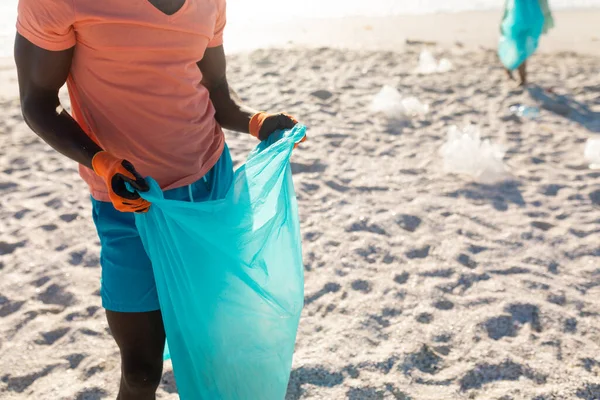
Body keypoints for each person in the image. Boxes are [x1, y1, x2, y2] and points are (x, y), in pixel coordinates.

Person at [14, 0, 304, 398]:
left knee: (215, 344)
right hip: (129, 205)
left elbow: (217, 94)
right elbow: (37, 100)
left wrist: (257, 121)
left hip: (209, 191)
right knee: (140, 372)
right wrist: (102, 163)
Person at [501, 0, 554, 86]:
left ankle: (514, 73)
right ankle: (519, 75)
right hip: (528, 19)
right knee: (520, 47)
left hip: (519, 18)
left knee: (517, 46)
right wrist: (547, 15)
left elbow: (508, 4)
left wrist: (504, 17)